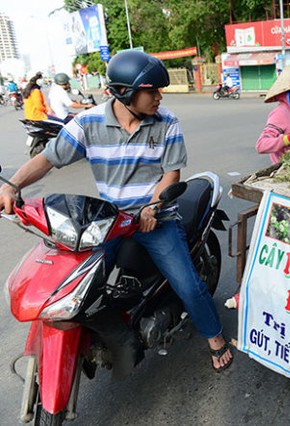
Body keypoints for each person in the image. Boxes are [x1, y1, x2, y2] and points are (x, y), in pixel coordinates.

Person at [0, 50, 233, 373]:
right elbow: (48, 159)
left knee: (188, 284)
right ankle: (117, 337)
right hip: (110, 222)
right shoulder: (88, 122)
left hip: (157, 219)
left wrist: (153, 207)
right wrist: (12, 185)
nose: (158, 97)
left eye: (158, 91)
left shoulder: (167, 121)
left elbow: (171, 174)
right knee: (77, 281)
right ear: (125, 93)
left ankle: (216, 338)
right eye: (151, 91)